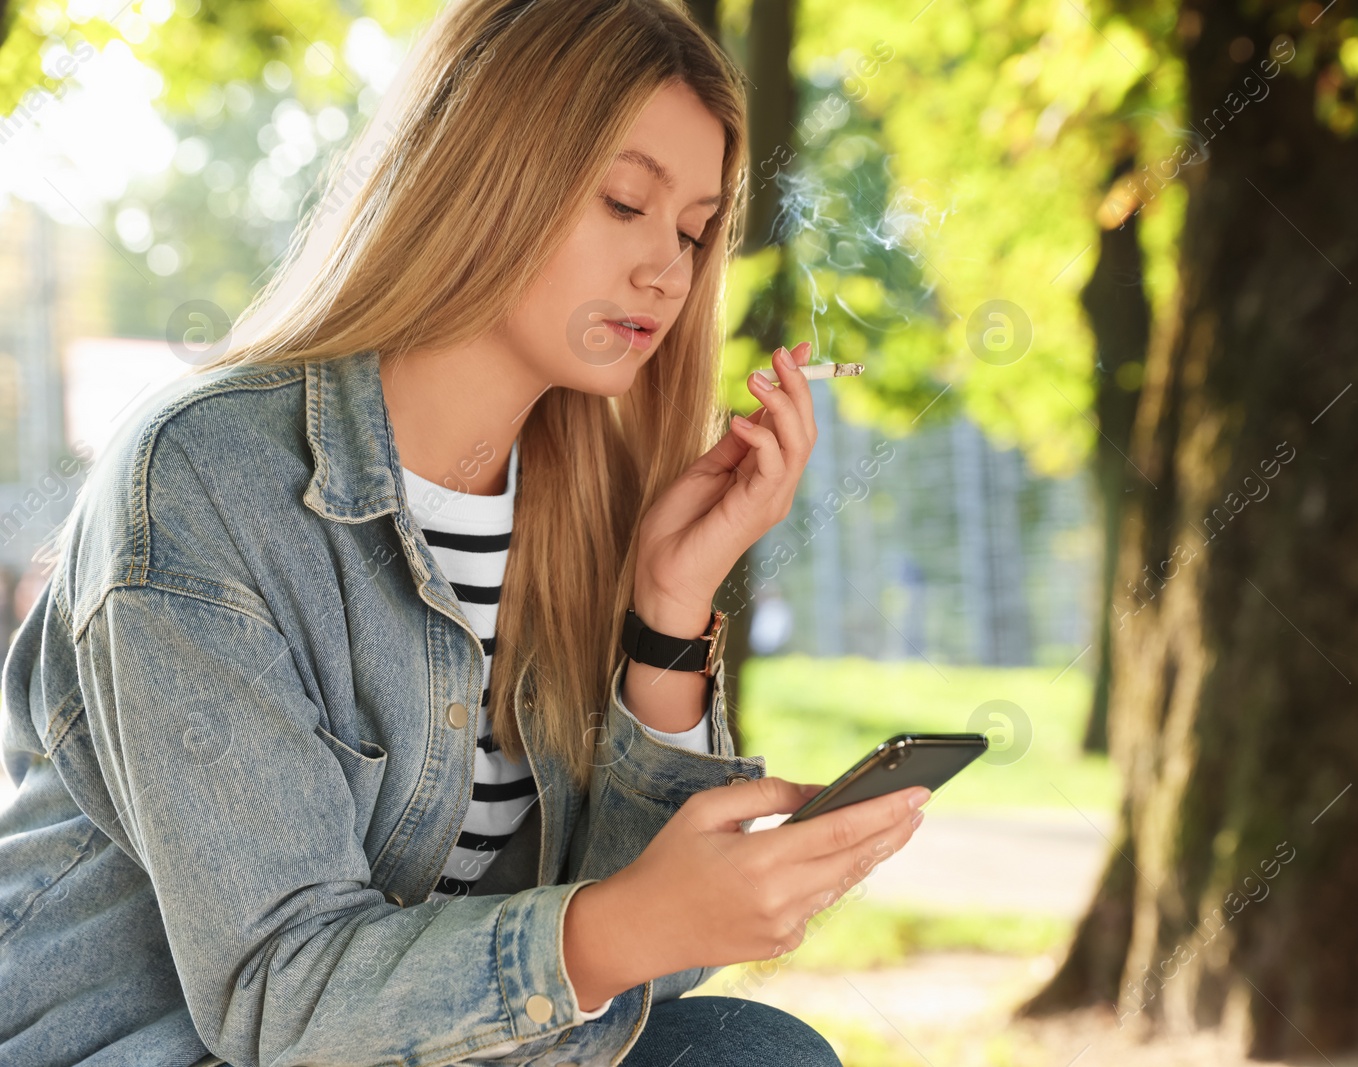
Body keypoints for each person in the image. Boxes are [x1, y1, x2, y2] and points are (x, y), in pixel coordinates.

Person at [0, 0, 929, 1063]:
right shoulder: (208, 479)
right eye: (625, 201)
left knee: (746, 1046)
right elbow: (280, 997)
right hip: (162, 1047)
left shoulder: (585, 497)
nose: (666, 271)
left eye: (691, 228)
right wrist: (626, 924)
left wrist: (668, 611)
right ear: (484, 171)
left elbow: (642, 967)